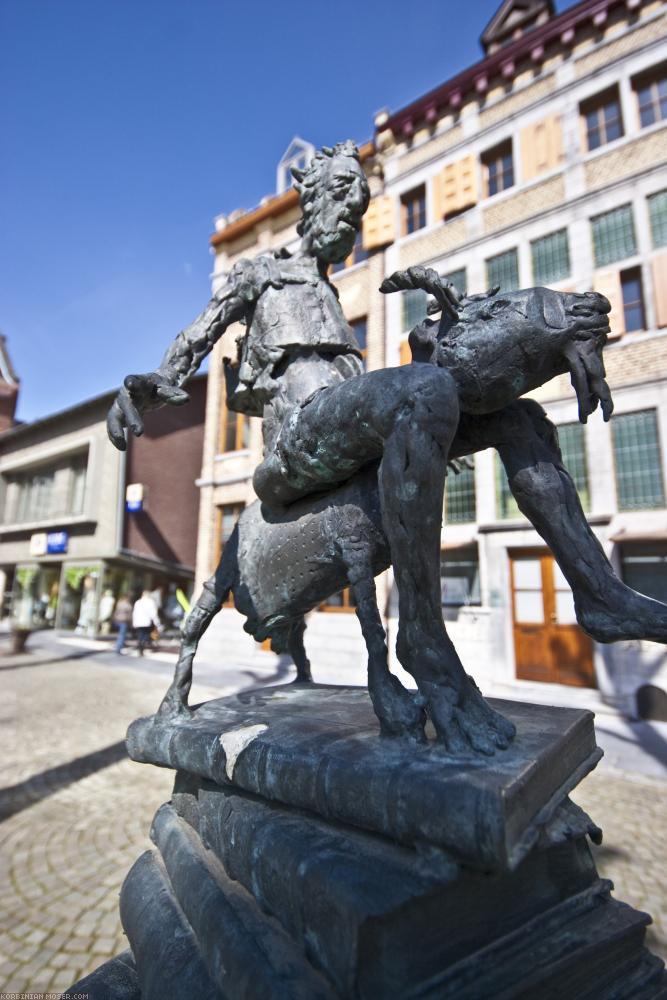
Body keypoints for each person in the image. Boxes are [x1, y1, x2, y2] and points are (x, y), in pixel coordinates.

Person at [106, 140, 667, 753]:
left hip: (342, 440)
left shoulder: (330, 295)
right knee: (423, 390)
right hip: (292, 448)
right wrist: (152, 384)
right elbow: (198, 337)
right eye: (345, 198)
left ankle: (600, 594)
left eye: (361, 205)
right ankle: (423, 640)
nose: (353, 215)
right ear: (313, 200)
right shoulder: (261, 274)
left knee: (522, 420)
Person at [132, 590, 160, 657]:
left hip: (138, 622)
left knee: (140, 635)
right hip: (146, 622)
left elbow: (135, 613)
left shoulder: (138, 602)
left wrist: (134, 622)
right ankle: (142, 646)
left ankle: (140, 646)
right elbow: (153, 613)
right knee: (146, 635)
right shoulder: (150, 602)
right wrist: (157, 622)